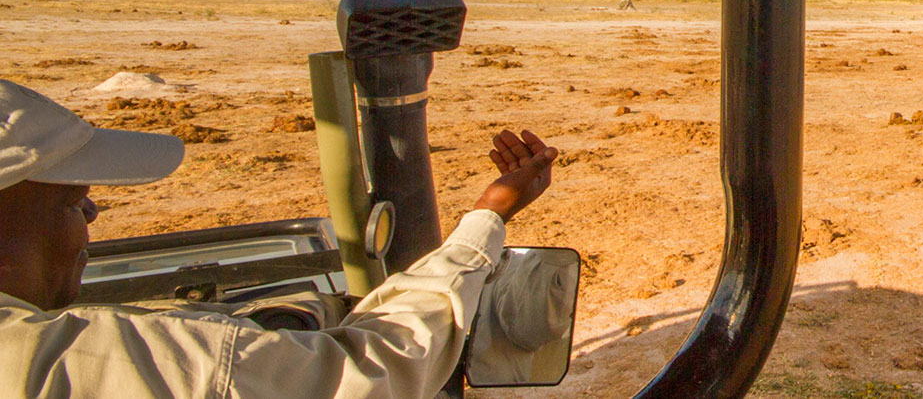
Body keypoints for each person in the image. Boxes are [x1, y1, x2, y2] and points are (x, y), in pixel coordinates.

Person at [0, 79, 561, 398]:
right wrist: (486, 218)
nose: (92, 213)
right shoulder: (98, 358)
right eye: (72, 202)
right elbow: (379, 367)